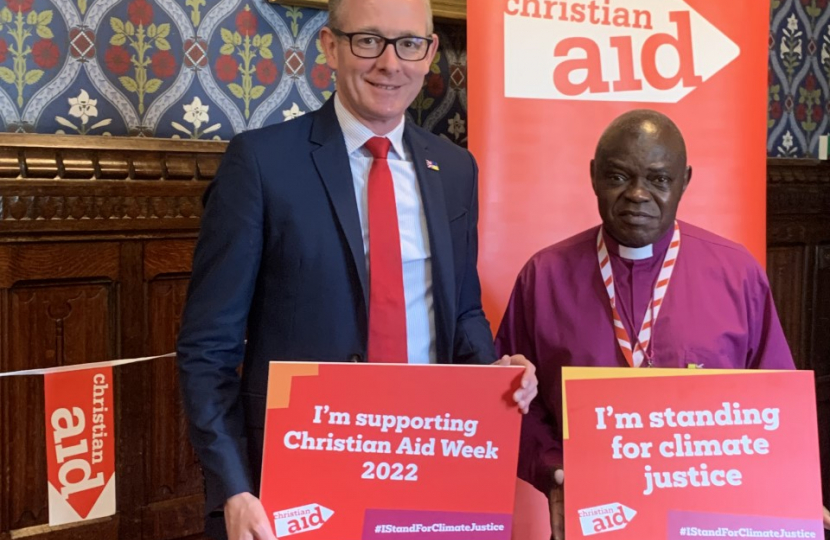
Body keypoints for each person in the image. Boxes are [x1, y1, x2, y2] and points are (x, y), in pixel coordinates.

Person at [175, 1, 537, 539]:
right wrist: (234, 487)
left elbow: (460, 312)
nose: (390, 64)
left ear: (430, 52)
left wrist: (494, 379)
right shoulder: (260, 163)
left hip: (430, 460)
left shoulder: (455, 169)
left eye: (409, 44)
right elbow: (208, 348)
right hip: (298, 476)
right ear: (330, 46)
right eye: (369, 40)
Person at [494, 109, 812, 539]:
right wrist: (554, 472)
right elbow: (513, 405)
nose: (638, 195)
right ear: (593, 176)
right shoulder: (544, 276)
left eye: (659, 179)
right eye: (619, 176)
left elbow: (776, 408)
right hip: (592, 516)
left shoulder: (737, 273)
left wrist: (795, 498)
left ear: (685, 181)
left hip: (710, 519)